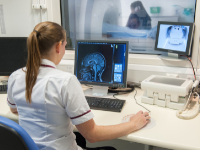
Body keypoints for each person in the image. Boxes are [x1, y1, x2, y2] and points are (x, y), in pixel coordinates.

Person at [7, 21, 150, 150]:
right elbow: (93, 135)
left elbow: (15, 110)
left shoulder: (15, 76)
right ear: (58, 46)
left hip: (31, 147)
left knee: (79, 137)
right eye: (64, 45)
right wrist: (133, 124)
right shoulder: (66, 81)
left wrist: (50, 115)